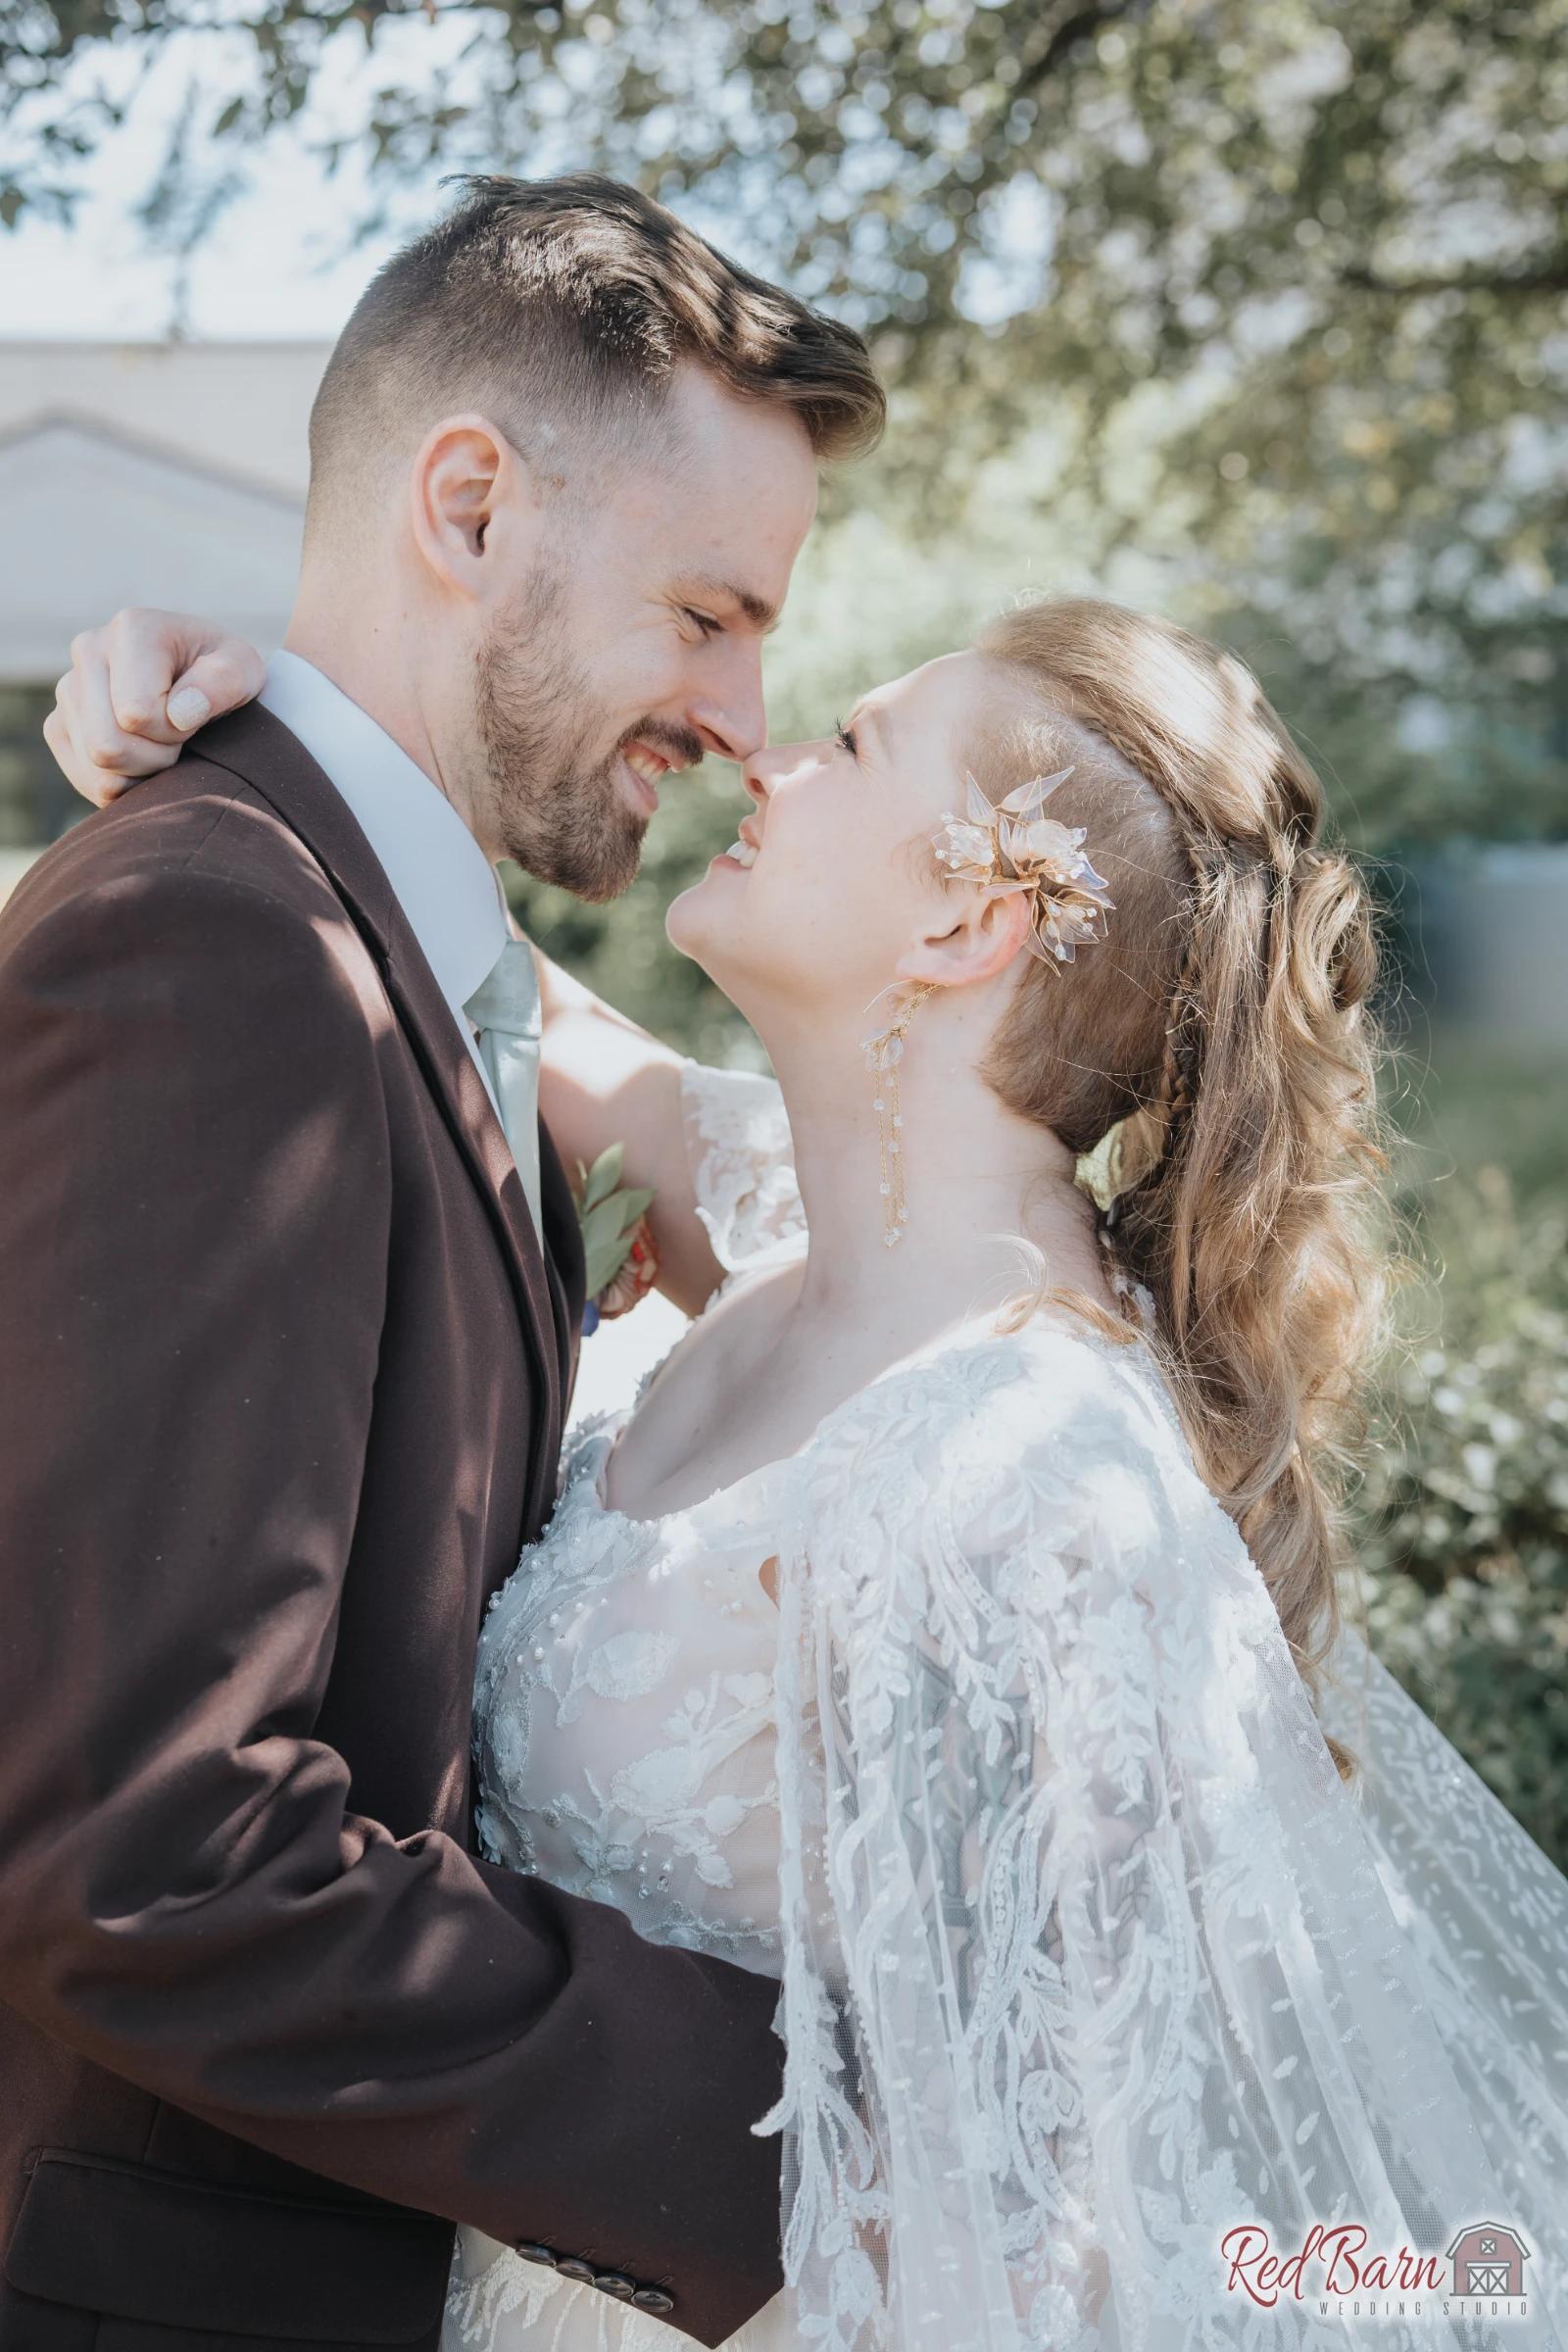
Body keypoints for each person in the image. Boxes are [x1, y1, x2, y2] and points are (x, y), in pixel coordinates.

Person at [44, 591, 1568, 2348]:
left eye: (851, 745)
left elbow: (1051, 2210)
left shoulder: (1028, 1476)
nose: (768, 754)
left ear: (970, 920)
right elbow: (441, 938)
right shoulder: (795, 1217)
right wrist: (223, 710)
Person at [0, 173, 885, 2352]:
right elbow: (152, 1842)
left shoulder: (403, 957)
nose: (745, 713)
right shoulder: (216, 938)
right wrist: (828, 2147)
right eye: (703, 611)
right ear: (470, 510)